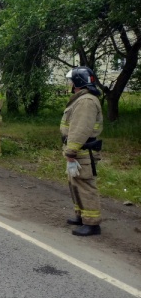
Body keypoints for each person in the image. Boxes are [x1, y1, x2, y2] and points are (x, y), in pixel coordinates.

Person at [61, 66, 103, 236]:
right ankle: (82, 215)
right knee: (75, 184)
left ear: (78, 81)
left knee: (85, 185)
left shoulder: (86, 101)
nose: (70, 83)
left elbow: (80, 129)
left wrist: (71, 151)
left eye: (71, 80)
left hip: (81, 151)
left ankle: (92, 223)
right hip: (78, 150)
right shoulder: (81, 99)